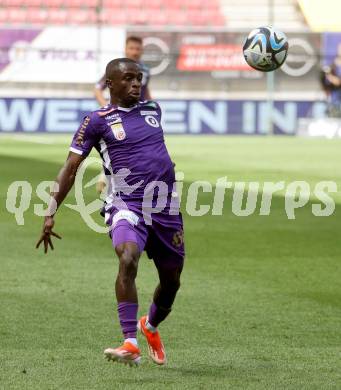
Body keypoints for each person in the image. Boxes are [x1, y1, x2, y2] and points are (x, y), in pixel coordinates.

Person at [36, 58, 185, 367]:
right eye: (128, 78)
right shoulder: (97, 121)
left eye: (139, 78)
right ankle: (130, 341)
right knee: (127, 257)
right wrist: (51, 211)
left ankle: (150, 326)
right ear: (110, 84)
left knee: (171, 282)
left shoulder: (153, 111)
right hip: (126, 204)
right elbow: (71, 167)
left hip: (165, 208)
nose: (135, 84)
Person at [94, 36, 152, 194]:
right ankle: (107, 177)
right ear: (125, 49)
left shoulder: (145, 70)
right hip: (119, 114)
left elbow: (145, 91)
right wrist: (106, 107)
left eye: (138, 49)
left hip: (137, 115)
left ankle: (133, 182)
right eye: (132, 48)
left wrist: (150, 107)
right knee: (119, 145)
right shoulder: (117, 69)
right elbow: (98, 88)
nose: (135, 52)